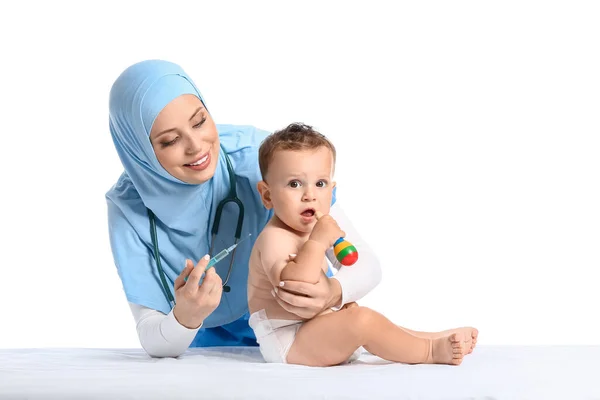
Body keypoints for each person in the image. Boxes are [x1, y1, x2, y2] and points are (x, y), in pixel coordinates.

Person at [106, 59, 382, 358]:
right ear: (139, 151)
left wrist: (335, 291)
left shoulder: (261, 157)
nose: (196, 146)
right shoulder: (129, 209)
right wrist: (186, 316)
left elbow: (364, 263)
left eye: (199, 121)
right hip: (202, 343)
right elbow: (154, 338)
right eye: (170, 140)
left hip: (299, 319)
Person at [248, 123, 479, 366]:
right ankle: (430, 351)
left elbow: (353, 265)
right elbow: (296, 287)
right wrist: (317, 242)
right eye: (294, 184)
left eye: (320, 184)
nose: (310, 195)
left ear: (332, 190)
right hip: (287, 341)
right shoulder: (274, 237)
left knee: (373, 323)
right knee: (363, 323)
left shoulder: (312, 229)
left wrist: (337, 300)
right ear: (267, 195)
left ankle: (433, 337)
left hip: (311, 329)